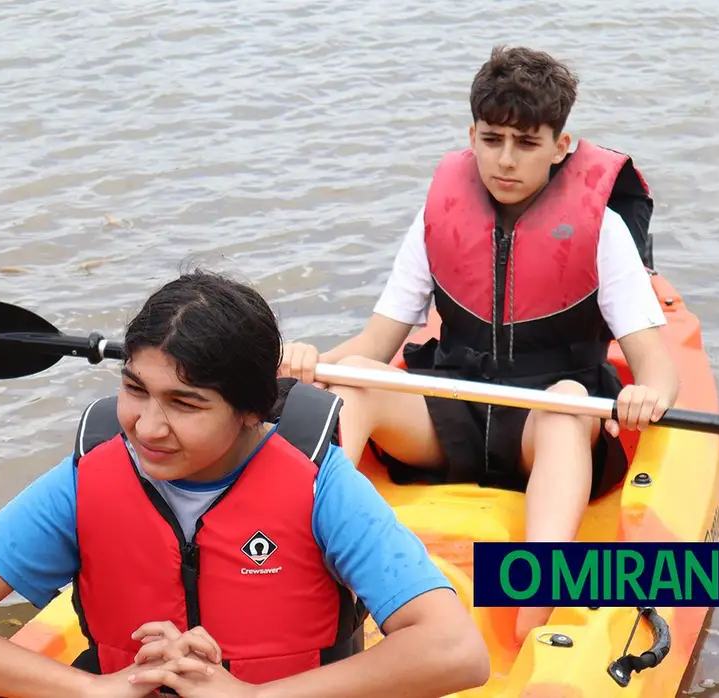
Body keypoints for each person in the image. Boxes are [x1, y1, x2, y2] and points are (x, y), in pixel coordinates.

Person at [0, 269, 490, 698]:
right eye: (135, 389)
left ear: (252, 409)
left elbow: (455, 652)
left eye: (185, 404)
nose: (149, 426)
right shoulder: (91, 475)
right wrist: (89, 688)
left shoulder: (320, 485)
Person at [279, 45, 681, 645]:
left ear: (561, 145)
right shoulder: (438, 213)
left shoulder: (604, 229)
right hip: (450, 413)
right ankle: (289, 562)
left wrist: (648, 397)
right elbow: (378, 340)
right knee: (356, 378)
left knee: (568, 400)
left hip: (541, 428)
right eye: (492, 140)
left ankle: (537, 610)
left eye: (527, 143)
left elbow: (655, 363)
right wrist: (311, 366)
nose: (506, 160)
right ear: (472, 135)